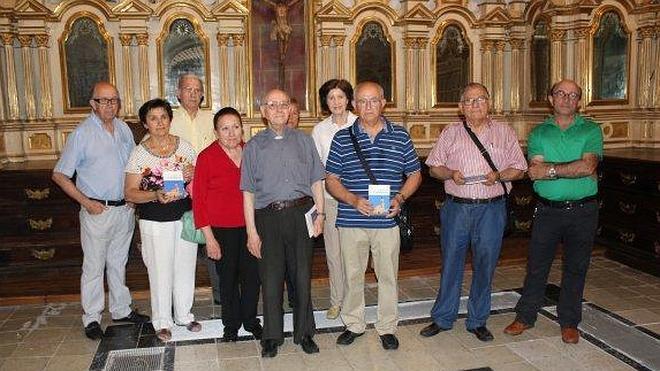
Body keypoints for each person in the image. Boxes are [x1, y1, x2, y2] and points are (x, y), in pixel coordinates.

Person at [420, 82, 527, 342]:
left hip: (492, 210)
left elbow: (520, 169)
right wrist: (451, 174)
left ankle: (477, 320)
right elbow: (434, 167)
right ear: (460, 107)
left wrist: (499, 175)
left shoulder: (504, 132)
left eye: (481, 99)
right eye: (469, 101)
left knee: (485, 265)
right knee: (451, 264)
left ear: (489, 103)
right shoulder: (451, 132)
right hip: (457, 208)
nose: (475, 104)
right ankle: (443, 318)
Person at [504, 79, 602, 344]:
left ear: (579, 101)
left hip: (583, 211)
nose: (567, 99)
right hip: (547, 211)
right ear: (551, 98)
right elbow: (534, 172)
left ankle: (569, 322)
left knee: (576, 267)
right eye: (561, 93)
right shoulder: (538, 133)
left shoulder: (591, 130)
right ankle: (525, 316)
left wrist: (551, 170)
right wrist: (568, 167)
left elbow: (588, 167)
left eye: (573, 95)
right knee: (536, 267)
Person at [325, 81, 422, 350]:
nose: (368, 106)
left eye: (374, 100)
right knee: (352, 274)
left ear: (383, 103)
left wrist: (400, 197)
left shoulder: (400, 135)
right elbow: (331, 179)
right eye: (362, 101)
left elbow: (415, 174)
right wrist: (353, 199)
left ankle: (387, 326)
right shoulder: (342, 138)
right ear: (354, 105)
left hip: (386, 220)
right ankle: (354, 324)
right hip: (351, 219)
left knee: (388, 275)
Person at [52, 82, 149, 340]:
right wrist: (85, 202)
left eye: (113, 100)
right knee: (94, 266)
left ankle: (121, 309)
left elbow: (133, 166)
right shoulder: (81, 134)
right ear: (93, 103)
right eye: (103, 100)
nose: (109, 105)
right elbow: (60, 175)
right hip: (97, 210)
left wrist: (133, 196)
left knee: (118, 262)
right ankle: (92, 317)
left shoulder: (125, 130)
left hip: (124, 209)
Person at [241, 89, 325, 358]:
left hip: (301, 215)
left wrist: (320, 215)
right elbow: (248, 192)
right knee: (271, 279)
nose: (278, 109)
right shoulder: (253, 147)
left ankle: (305, 333)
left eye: (283, 104)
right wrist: (251, 232)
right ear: (263, 111)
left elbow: (316, 181)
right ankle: (272, 336)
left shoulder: (304, 141)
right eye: (272, 105)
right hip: (268, 218)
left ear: (291, 109)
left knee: (302, 277)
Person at [124, 98, 200, 342]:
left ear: (170, 119)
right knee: (159, 270)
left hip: (184, 217)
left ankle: (184, 315)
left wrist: (193, 173)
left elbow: (201, 181)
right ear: (145, 123)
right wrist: (155, 194)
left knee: (185, 268)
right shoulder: (139, 154)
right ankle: (162, 321)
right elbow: (129, 192)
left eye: (163, 117)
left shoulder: (185, 147)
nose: (159, 123)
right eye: (153, 118)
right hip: (154, 221)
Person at [192, 107, 262, 342]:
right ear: (216, 132)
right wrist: (209, 238)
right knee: (228, 280)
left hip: (251, 227)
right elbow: (199, 202)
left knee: (252, 277)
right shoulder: (206, 157)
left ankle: (251, 320)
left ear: (242, 128)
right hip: (221, 231)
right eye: (225, 128)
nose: (231, 133)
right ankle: (231, 325)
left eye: (235, 127)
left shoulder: (251, 151)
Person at [169, 73, 221, 305]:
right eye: (187, 89)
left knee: (214, 241)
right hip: (178, 190)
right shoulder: (168, 119)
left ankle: (221, 294)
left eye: (197, 89)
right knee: (184, 245)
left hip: (210, 191)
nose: (192, 93)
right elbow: (158, 155)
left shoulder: (212, 119)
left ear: (202, 95)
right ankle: (181, 300)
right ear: (178, 93)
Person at [311, 79, 357, 320]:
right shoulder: (320, 130)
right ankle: (336, 301)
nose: (336, 102)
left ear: (348, 99)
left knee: (355, 253)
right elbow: (317, 171)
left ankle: (353, 301)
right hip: (330, 199)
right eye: (331, 98)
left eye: (340, 97)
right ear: (325, 102)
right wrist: (320, 208)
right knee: (334, 253)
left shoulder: (360, 124)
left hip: (356, 200)